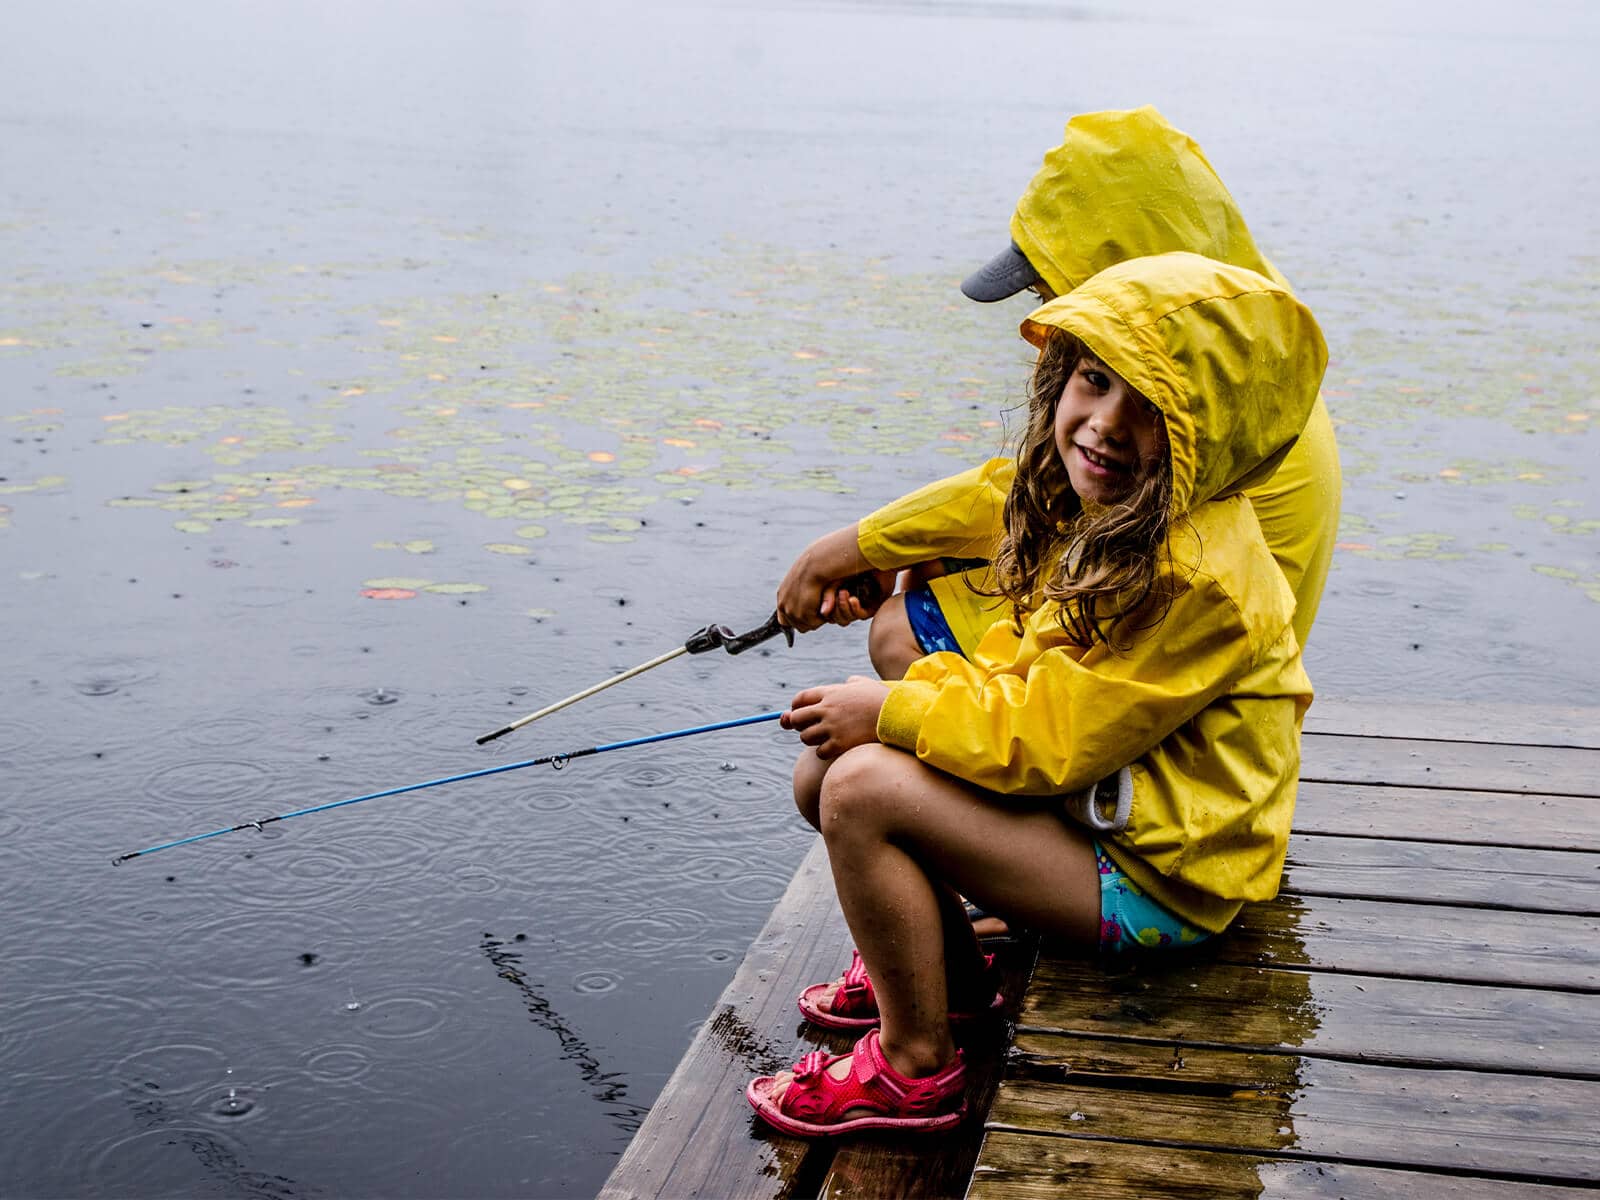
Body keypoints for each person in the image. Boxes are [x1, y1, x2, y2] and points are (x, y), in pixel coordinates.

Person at [745, 250, 1326, 1136]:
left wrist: (893, 708)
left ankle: (913, 1069)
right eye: (1095, 380)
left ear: (1212, 434)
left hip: (1163, 879)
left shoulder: (1196, 577)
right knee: (823, 776)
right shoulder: (1122, 514)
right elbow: (1030, 667)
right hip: (1101, 814)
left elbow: (1050, 742)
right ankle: (950, 984)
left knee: (860, 788)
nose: (1105, 424)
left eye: (1152, 406)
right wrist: (892, 697)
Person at [776, 106, 1341, 678]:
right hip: (1133, 571)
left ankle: (927, 755)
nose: (1045, 318)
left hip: (1162, 650)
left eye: (1051, 291)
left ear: (1125, 272)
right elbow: (1044, 497)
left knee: (902, 629)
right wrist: (894, 548)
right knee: (935, 561)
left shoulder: (1189, 384)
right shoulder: (1238, 332)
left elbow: (1061, 510)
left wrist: (846, 550)